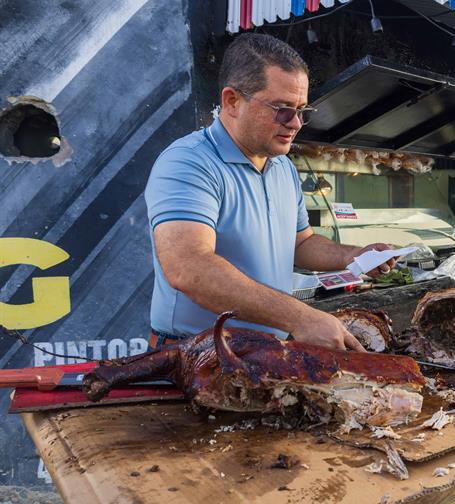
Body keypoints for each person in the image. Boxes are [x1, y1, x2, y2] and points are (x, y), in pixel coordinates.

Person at [144, 33, 394, 352]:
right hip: (196, 349)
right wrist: (300, 318)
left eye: (303, 110)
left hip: (267, 347)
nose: (296, 124)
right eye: (282, 109)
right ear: (232, 101)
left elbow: (300, 242)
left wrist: (351, 257)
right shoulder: (188, 162)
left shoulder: (283, 168)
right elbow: (189, 267)